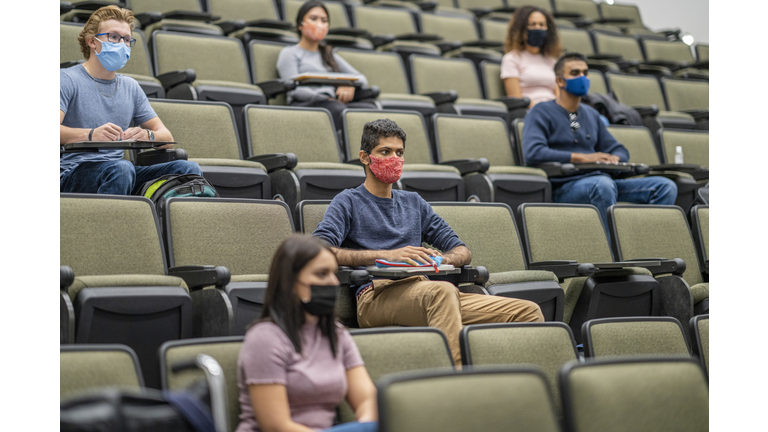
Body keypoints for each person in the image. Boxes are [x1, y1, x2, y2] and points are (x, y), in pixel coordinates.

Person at [313, 119, 545, 366]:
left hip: (426, 290)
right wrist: (385, 255)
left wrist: (443, 259)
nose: (394, 158)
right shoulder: (348, 201)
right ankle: (455, 389)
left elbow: (462, 250)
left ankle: (517, 389)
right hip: (376, 296)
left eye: (399, 152)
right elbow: (319, 249)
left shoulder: (414, 202)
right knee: (443, 291)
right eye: (385, 151)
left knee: (528, 312)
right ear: (364, 157)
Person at [236, 234, 378, 432]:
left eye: (334, 273)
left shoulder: (336, 333)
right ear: (290, 282)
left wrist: (366, 426)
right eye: (321, 274)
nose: (333, 282)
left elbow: (367, 399)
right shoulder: (265, 338)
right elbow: (276, 426)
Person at [522, 52, 677, 227]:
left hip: (602, 181)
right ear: (559, 81)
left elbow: (620, 150)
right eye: (575, 73)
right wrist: (582, 157)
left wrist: (614, 158)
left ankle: (645, 245)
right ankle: (613, 251)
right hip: (564, 186)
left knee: (665, 187)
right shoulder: (540, 111)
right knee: (602, 185)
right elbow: (533, 152)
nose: (582, 77)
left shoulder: (591, 114)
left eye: (585, 73)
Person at [60, 6, 202, 195]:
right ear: (92, 42)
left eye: (126, 39)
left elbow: (167, 138)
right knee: (121, 168)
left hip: (120, 172)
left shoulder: (131, 86)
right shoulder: (66, 79)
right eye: (113, 37)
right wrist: (91, 134)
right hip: (72, 173)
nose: (121, 44)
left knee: (189, 170)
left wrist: (148, 135)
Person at [276, 1, 378, 132]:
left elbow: (362, 79)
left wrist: (349, 85)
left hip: (333, 102)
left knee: (370, 109)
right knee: (337, 108)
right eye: (313, 19)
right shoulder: (289, 53)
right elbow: (293, 89)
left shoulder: (328, 54)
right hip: (306, 103)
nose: (319, 24)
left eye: (324, 20)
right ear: (300, 25)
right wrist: (324, 98)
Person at [501, 6, 562, 108]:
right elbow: (517, 100)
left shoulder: (552, 62)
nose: (537, 28)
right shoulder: (512, 59)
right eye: (532, 24)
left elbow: (560, 97)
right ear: (522, 29)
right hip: (530, 111)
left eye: (542, 25)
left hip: (553, 111)